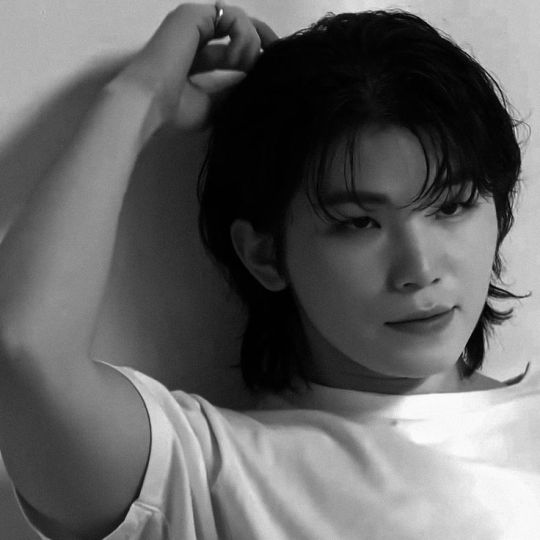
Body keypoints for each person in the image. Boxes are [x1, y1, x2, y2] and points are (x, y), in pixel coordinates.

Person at [0, 1, 537, 539]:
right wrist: (139, 96)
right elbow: (25, 349)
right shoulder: (208, 472)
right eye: (358, 223)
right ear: (264, 255)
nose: (418, 269)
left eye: (452, 206)